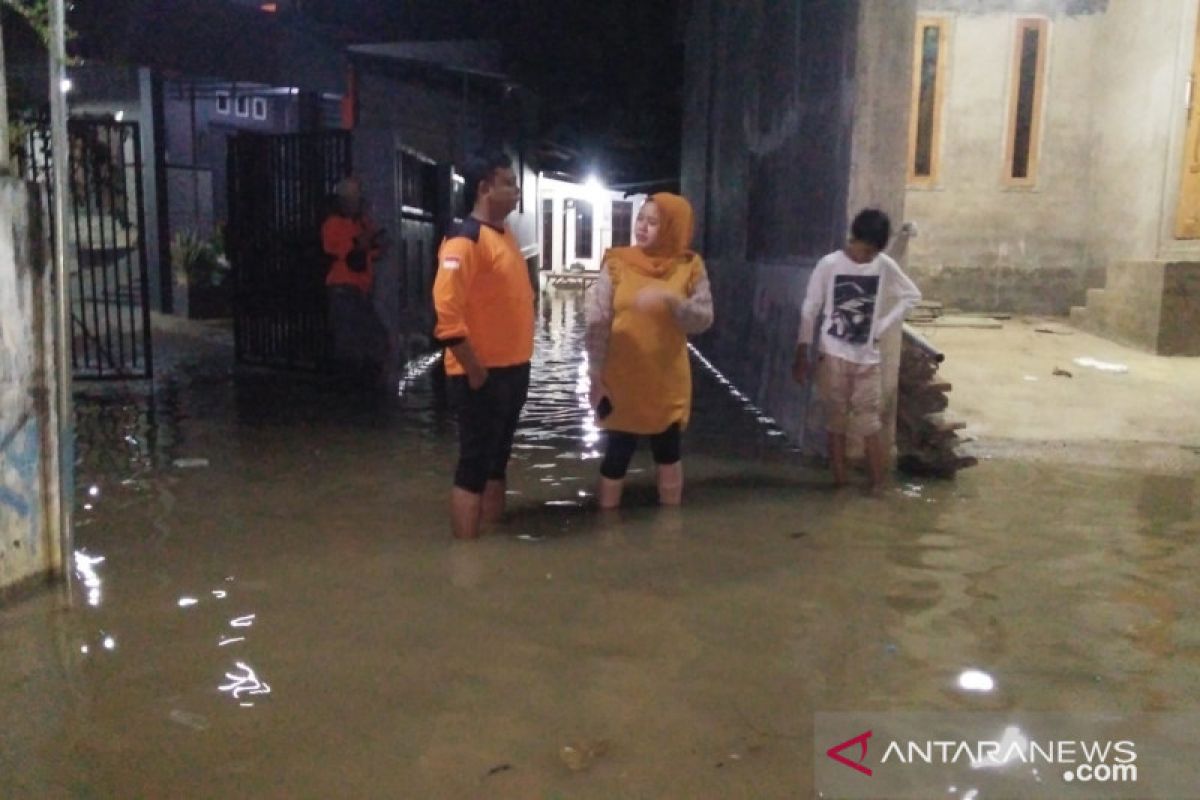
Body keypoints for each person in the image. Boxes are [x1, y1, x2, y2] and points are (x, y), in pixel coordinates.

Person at [585, 193, 714, 509]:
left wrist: (672, 301)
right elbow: (597, 322)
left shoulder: (689, 266)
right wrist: (595, 375)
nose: (641, 227)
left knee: (668, 454)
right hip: (622, 380)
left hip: (666, 381)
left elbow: (703, 319)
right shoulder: (617, 263)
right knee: (616, 454)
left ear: (672, 227)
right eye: (640, 218)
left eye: (653, 222)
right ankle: (607, 530)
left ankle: (670, 531)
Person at [432, 151, 533, 540]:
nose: (516, 190)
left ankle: (493, 545)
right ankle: (467, 555)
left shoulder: (505, 236)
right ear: (484, 188)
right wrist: (474, 370)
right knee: (474, 465)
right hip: (481, 374)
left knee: (497, 462)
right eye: (509, 182)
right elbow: (446, 316)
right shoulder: (464, 241)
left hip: (512, 369)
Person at [792, 208, 922, 492]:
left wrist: (882, 326)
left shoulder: (883, 264)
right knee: (836, 420)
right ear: (855, 239)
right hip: (833, 355)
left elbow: (912, 295)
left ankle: (877, 485)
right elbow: (810, 309)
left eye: (874, 253)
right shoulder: (829, 265)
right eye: (866, 250)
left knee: (870, 423)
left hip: (867, 359)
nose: (868, 258)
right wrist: (802, 352)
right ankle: (840, 482)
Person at [321, 177, 389, 386]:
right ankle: (351, 394)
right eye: (351, 198)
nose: (355, 202)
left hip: (360, 290)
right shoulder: (333, 224)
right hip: (344, 290)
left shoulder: (361, 222)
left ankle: (363, 390)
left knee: (372, 341)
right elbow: (349, 255)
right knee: (351, 346)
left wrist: (376, 243)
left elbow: (372, 252)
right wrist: (365, 242)